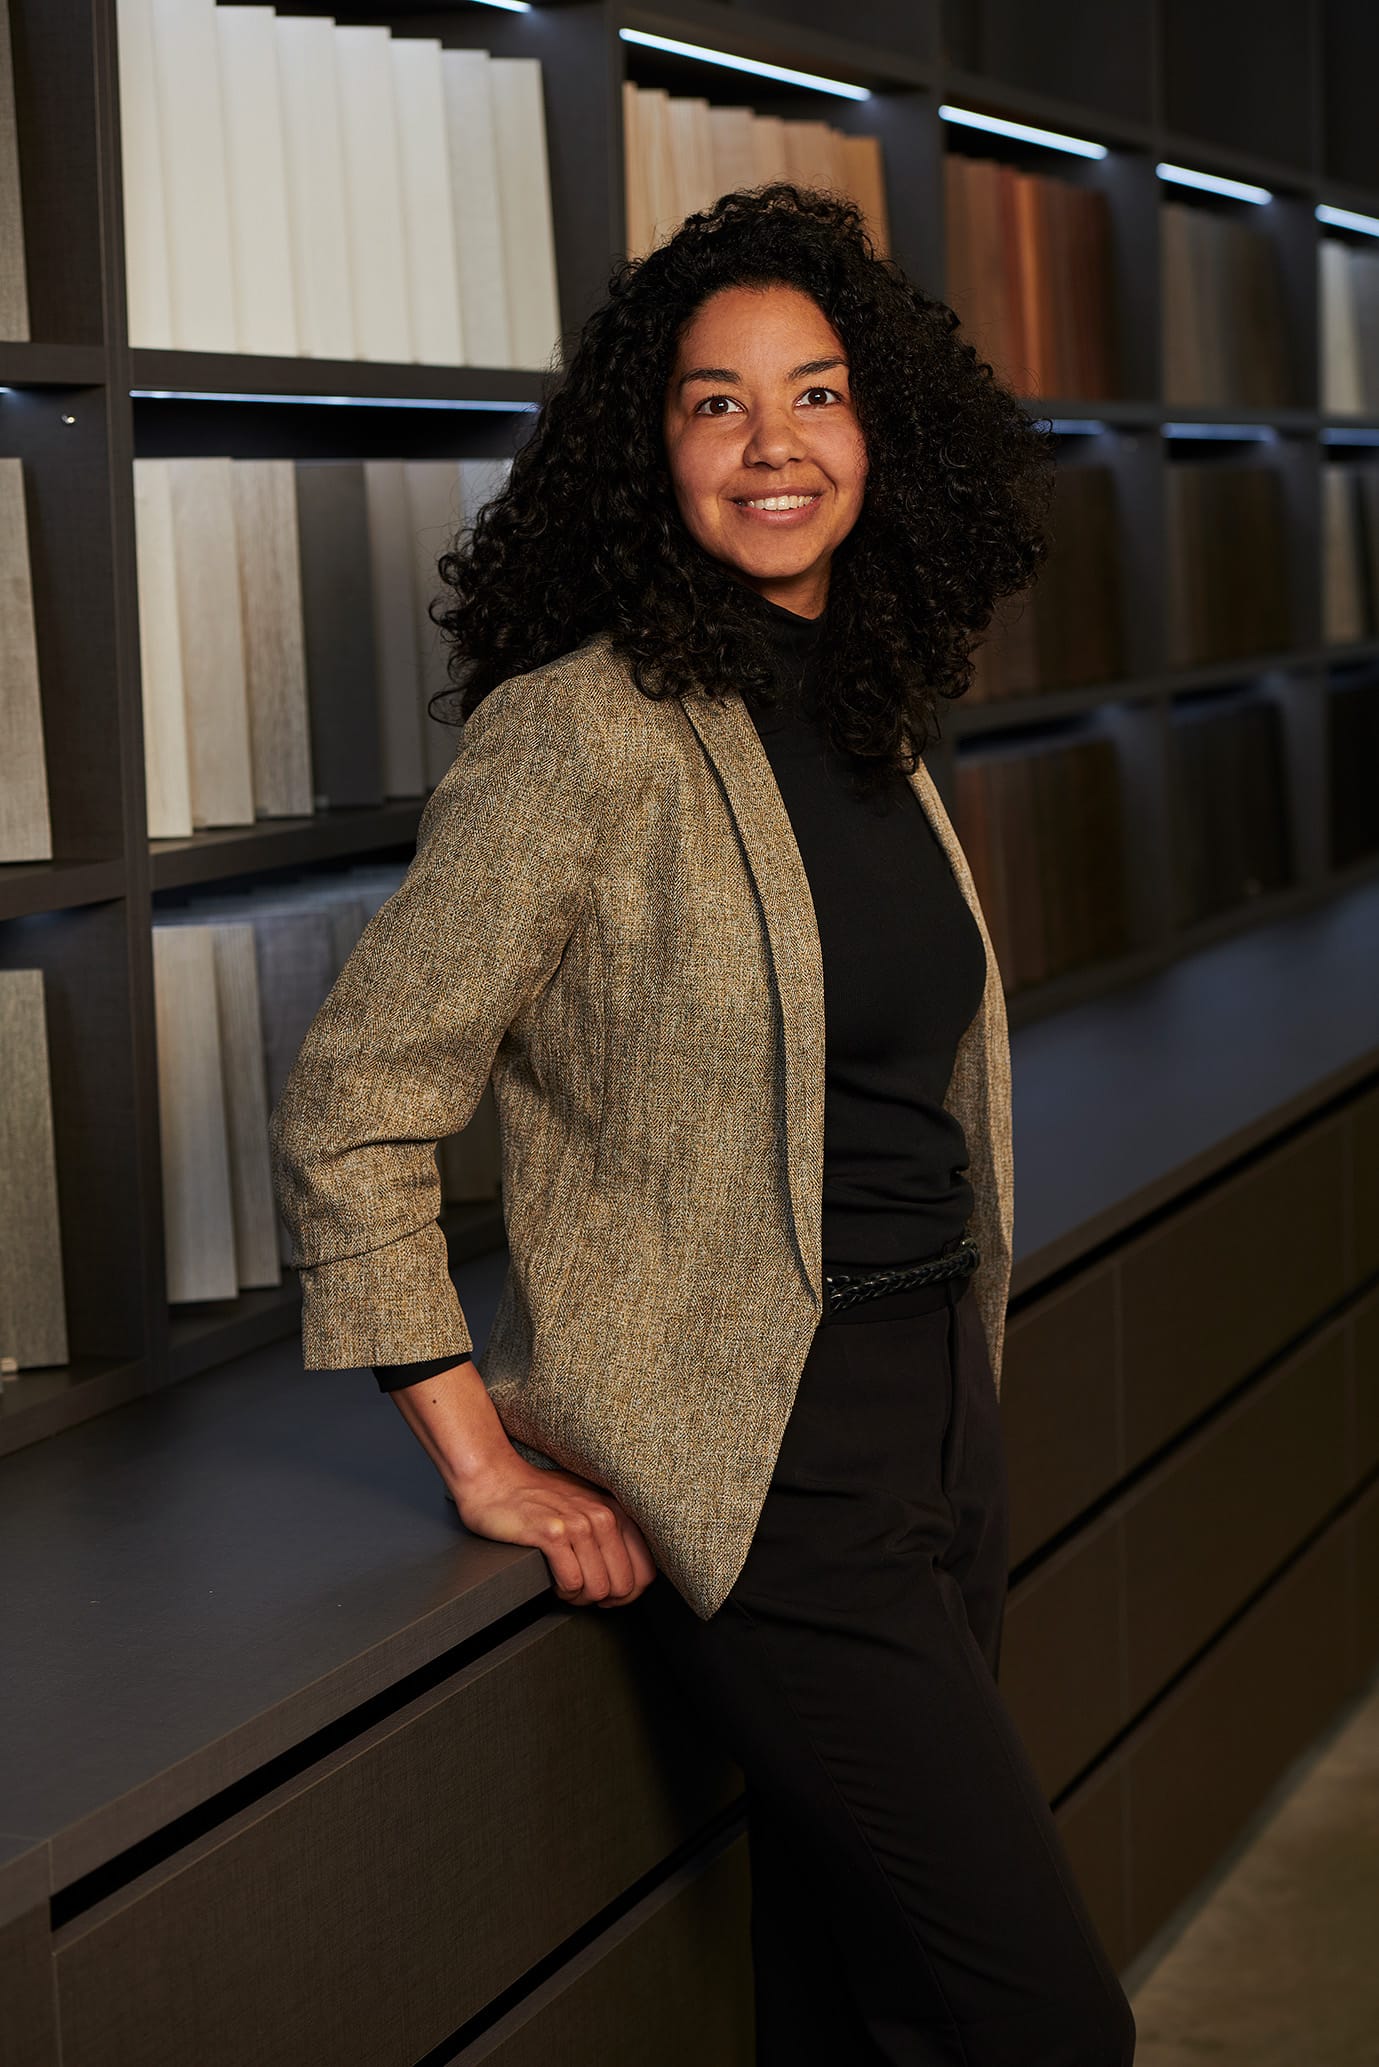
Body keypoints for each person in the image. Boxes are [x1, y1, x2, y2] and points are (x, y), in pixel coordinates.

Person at [268, 185, 1135, 2065]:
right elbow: (356, 1096)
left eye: (815, 396)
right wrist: (476, 1449)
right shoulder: (578, 736)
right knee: (1046, 2027)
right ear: (644, 446)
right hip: (766, 1455)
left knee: (858, 1988)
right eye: (715, 402)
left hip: (943, 1397)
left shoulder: (875, 710)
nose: (774, 447)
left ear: (878, 431)